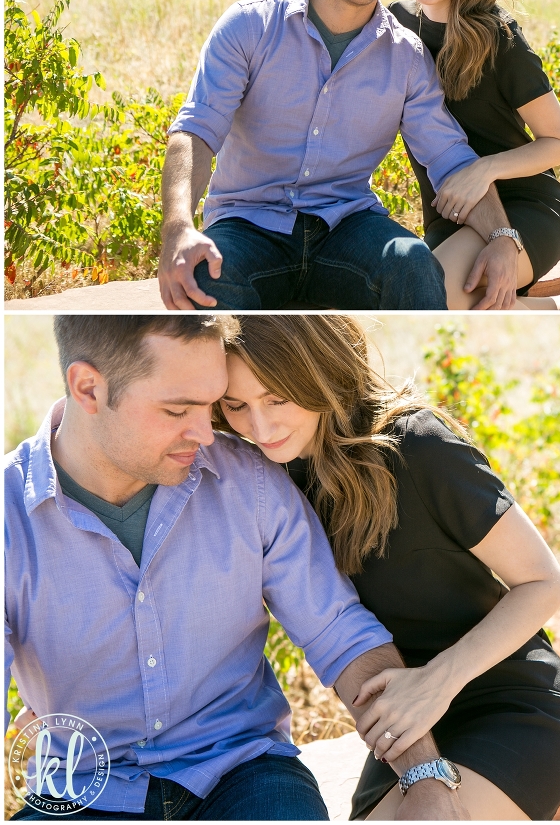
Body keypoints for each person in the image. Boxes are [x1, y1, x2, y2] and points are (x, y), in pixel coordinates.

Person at [4, 315, 469, 821]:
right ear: (89, 388)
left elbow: (339, 632)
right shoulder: (10, 519)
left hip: (245, 774)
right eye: (178, 409)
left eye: (211, 405)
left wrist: (424, 776)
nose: (205, 434)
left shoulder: (249, 481)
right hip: (81, 790)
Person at [214, 315, 560, 821]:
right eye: (237, 405)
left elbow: (544, 582)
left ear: (319, 373)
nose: (259, 427)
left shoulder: (418, 446)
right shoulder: (266, 479)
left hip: (507, 703)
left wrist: (436, 682)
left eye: (278, 398)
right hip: (406, 728)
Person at [159, 0, 520, 312]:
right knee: (207, 277)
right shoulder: (252, 25)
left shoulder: (406, 57)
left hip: (347, 228)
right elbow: (197, 130)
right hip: (247, 223)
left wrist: (502, 237)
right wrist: (178, 226)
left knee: (412, 263)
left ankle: (425, 379)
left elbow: (449, 158)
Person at [254, 0, 560, 311]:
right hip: (449, 216)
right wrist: (276, 1)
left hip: (525, 213)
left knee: (433, 303)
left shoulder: (501, 41)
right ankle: (549, 311)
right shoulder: (396, 26)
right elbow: (328, 0)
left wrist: (483, 170)